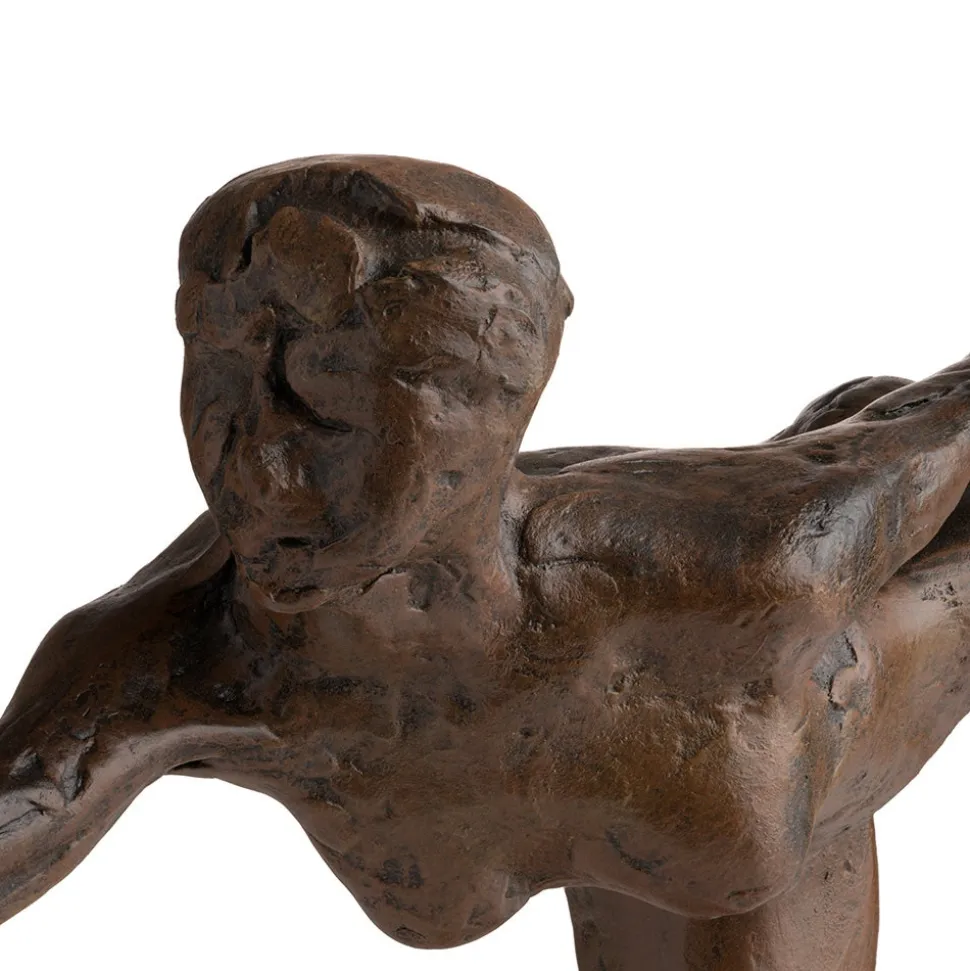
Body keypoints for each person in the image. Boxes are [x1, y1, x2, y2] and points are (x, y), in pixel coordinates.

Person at [2, 155, 970, 970]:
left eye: (326, 407)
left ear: (487, 416)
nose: (255, 466)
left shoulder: (743, 567)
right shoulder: (192, 646)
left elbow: (919, 443)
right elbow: (36, 794)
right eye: (216, 385)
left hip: (842, 669)